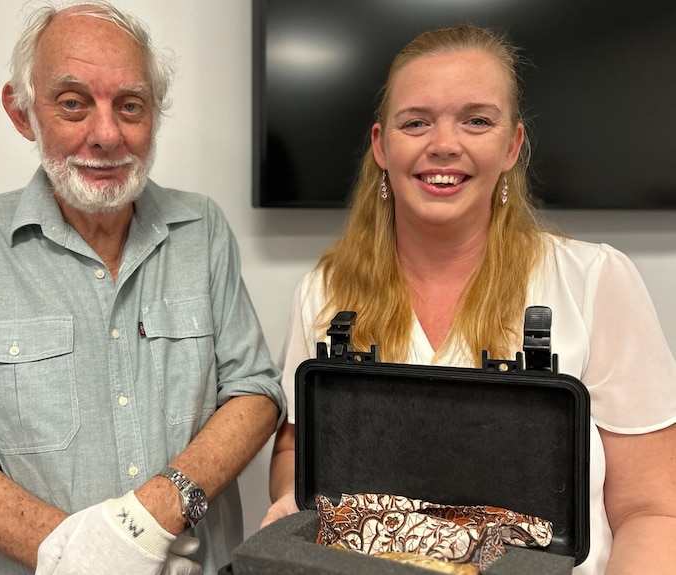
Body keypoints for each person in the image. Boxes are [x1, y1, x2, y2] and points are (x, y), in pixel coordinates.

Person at [0, 2, 286, 574]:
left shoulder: (203, 231)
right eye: (72, 103)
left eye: (130, 105)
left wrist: (147, 520)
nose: (107, 134)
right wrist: (72, 552)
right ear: (23, 113)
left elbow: (254, 391)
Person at [259, 23, 676, 575]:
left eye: (477, 120)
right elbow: (296, 451)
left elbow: (653, 509)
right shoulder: (324, 290)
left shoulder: (595, 281)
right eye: (416, 122)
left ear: (512, 146)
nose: (444, 145)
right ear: (382, 146)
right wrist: (291, 505)